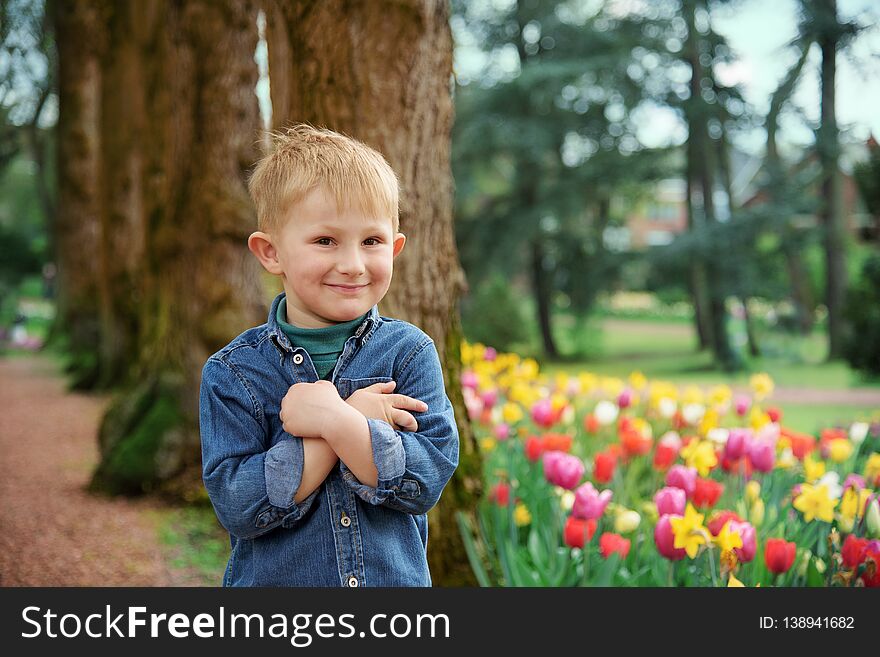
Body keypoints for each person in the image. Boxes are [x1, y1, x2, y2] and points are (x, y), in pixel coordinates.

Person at [199, 124, 460, 587]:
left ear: (395, 248)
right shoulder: (233, 373)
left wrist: (339, 422)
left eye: (372, 242)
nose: (353, 264)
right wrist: (346, 424)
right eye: (325, 241)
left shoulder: (409, 353)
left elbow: (425, 478)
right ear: (271, 252)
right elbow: (240, 505)